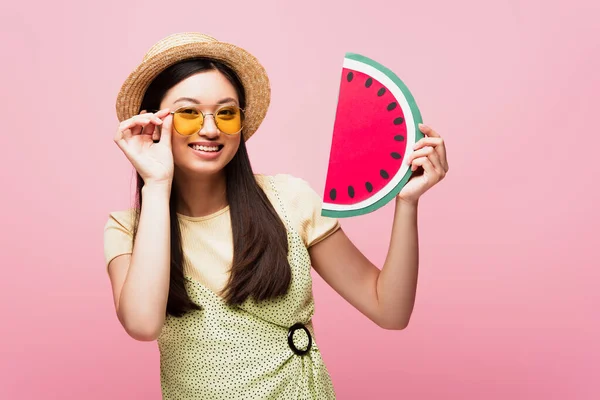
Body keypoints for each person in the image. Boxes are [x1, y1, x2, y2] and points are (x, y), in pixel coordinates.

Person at [103, 32, 449, 399]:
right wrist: (155, 183)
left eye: (226, 113)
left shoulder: (290, 199)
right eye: (188, 113)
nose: (210, 128)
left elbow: (390, 311)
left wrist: (407, 203)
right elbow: (142, 324)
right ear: (153, 122)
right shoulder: (127, 230)